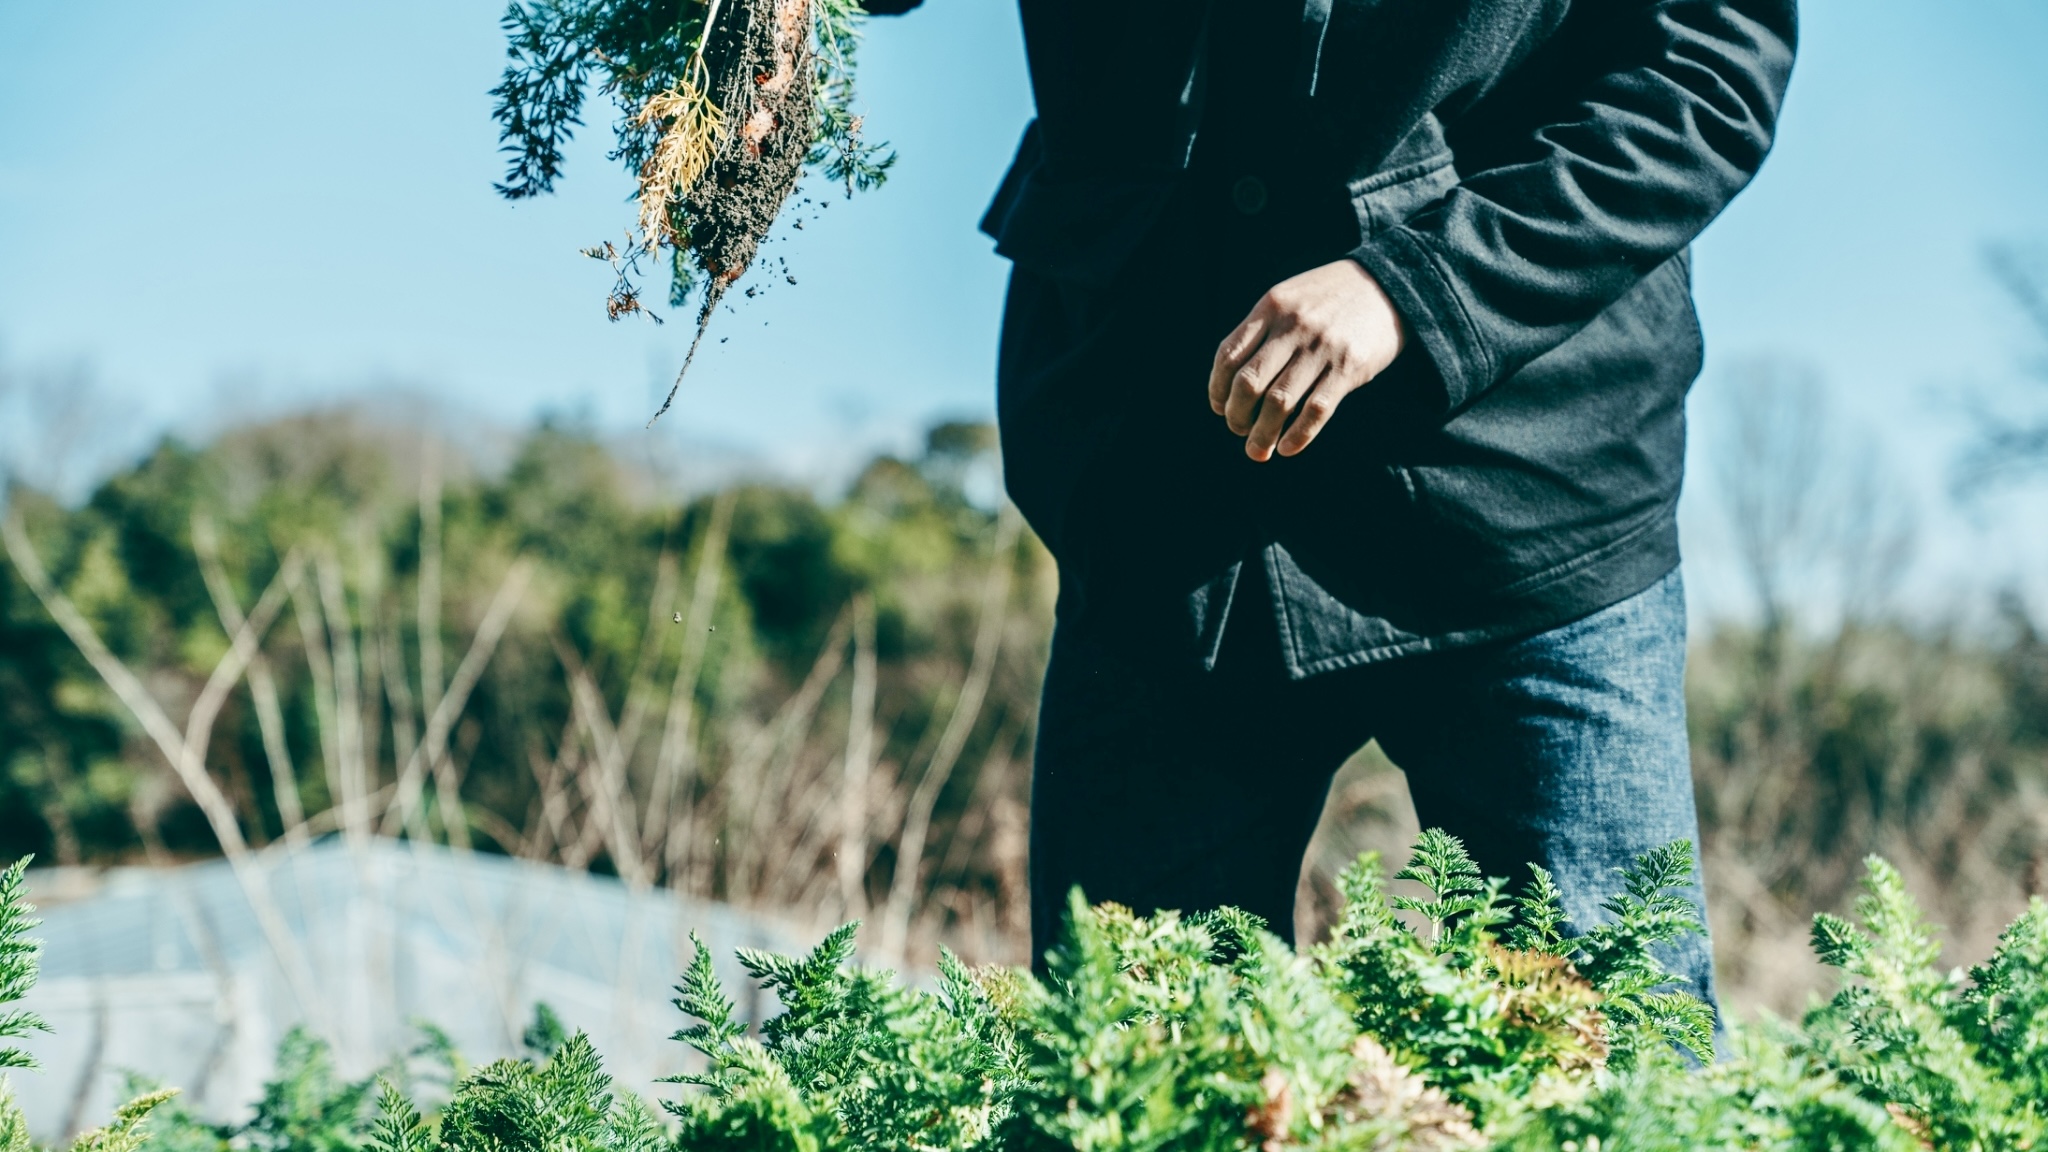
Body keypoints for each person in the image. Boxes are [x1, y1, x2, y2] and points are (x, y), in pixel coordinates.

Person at [868, 0, 1798, 1008]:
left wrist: (1423, 288)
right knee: (1133, 1086)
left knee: (1615, 1072)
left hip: (1525, 503)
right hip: (1164, 511)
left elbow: (1704, 73)